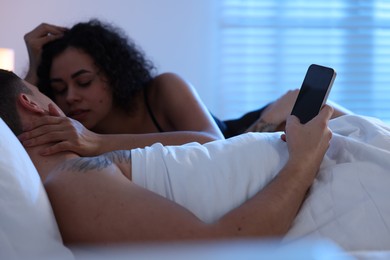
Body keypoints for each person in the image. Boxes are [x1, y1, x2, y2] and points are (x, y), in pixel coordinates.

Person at [0, 69, 333, 244]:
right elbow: (222, 249)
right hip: (316, 167)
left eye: (83, 81)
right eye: (51, 91)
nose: (71, 99)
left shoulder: (81, 162)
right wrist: (304, 159)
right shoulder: (70, 182)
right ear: (33, 104)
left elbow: (205, 144)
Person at [21, 20, 347, 156]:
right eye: (58, 88)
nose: (71, 97)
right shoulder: (64, 117)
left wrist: (94, 142)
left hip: (240, 136)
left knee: (342, 122)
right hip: (237, 154)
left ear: (113, 73)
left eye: (84, 82)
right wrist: (34, 69)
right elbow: (22, 118)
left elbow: (212, 144)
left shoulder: (162, 89)